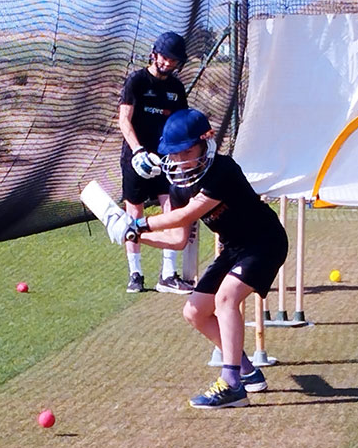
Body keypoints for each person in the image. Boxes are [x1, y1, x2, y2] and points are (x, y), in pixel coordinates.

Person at [102, 108, 287, 409]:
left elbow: (187, 215)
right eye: (174, 154)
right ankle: (247, 371)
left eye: (187, 152)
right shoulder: (178, 186)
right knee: (195, 312)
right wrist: (134, 236)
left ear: (206, 141)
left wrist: (139, 223)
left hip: (264, 242)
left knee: (226, 299)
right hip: (234, 248)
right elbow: (177, 240)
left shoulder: (223, 170)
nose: (181, 160)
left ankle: (231, 384)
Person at [117, 31, 194, 294]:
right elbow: (124, 120)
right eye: (165, 57)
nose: (168, 63)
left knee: (170, 211)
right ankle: (135, 273)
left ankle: (168, 274)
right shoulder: (137, 81)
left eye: (173, 60)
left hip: (166, 160)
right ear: (154, 54)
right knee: (134, 213)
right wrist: (138, 151)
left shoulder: (176, 88)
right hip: (136, 159)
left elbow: (181, 122)